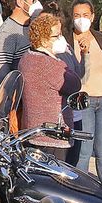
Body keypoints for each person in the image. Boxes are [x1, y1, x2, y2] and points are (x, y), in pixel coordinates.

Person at [66, 0, 102, 183]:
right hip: (83, 102)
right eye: (77, 15)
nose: (81, 19)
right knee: (84, 151)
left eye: (85, 15)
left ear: (93, 16)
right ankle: (80, 192)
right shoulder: (65, 42)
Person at [16, 12, 82, 157]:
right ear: (43, 39)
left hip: (31, 130)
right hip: (52, 135)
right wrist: (62, 60)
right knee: (57, 178)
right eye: (56, 36)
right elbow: (75, 84)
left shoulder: (26, 58)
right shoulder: (50, 64)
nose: (60, 39)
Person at [0, 0, 42, 88]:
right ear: (19, 1)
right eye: (33, 0)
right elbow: (1, 75)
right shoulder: (6, 33)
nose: (37, 3)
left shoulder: (35, 24)